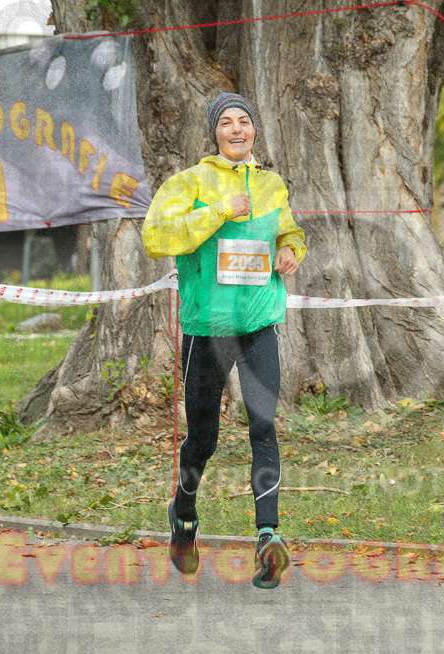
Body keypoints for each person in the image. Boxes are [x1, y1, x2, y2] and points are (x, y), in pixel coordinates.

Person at [142, 93, 307, 589]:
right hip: (207, 330)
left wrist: (290, 250)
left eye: (245, 122)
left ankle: (267, 537)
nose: (238, 130)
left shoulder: (271, 184)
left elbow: (289, 230)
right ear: (214, 132)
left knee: (263, 425)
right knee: (205, 438)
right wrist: (216, 211)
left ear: (254, 131)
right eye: (227, 123)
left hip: (259, 322)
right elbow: (156, 237)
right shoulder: (189, 183)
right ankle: (184, 518)